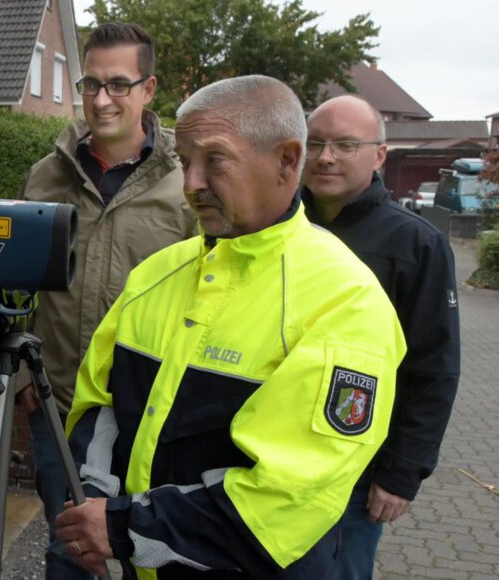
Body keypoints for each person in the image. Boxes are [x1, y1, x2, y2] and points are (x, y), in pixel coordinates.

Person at [53, 75, 407, 579]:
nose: (192, 183)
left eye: (214, 160)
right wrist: (94, 502)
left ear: (288, 160)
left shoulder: (345, 301)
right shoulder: (157, 273)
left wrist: (121, 529)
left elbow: (287, 495)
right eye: (184, 162)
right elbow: (97, 404)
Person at [16, 21, 197, 578]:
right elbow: (21, 289)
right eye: (90, 84)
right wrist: (25, 378)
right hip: (61, 405)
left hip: (149, 413)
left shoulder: (185, 185)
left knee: (150, 550)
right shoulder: (45, 177)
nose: (101, 99)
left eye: (118, 84)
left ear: (149, 89)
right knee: (68, 546)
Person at [300, 95, 461, 579]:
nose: (326, 157)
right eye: (316, 143)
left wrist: (401, 473)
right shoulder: (273, 227)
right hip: (260, 462)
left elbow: (433, 369)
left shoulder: (416, 244)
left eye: (346, 145)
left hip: (353, 476)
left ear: (379, 155)